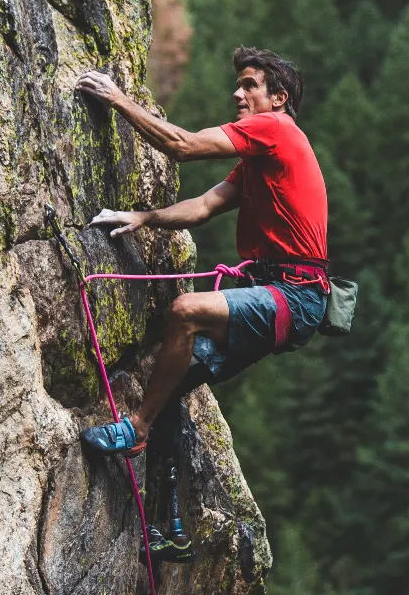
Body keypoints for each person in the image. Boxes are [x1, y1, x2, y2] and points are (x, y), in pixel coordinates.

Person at [74, 46, 329, 461]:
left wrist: (117, 99)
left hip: (294, 296)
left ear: (278, 99)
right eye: (237, 86)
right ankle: (167, 513)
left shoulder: (275, 129)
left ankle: (135, 430)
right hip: (287, 296)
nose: (237, 94)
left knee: (185, 311)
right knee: (173, 379)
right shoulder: (262, 158)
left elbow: (183, 145)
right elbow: (206, 206)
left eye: (250, 86)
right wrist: (145, 216)